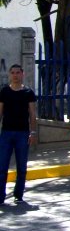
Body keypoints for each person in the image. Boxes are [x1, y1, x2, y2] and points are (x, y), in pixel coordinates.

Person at [0, 63, 37, 205]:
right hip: (6, 134)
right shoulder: (4, 92)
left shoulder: (28, 93)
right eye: (13, 73)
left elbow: (32, 114)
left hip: (23, 134)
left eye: (18, 73)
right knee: (2, 167)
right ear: (10, 75)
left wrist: (32, 132)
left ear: (22, 74)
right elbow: (0, 112)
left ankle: (19, 194)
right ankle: (1, 196)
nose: (15, 75)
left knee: (22, 166)